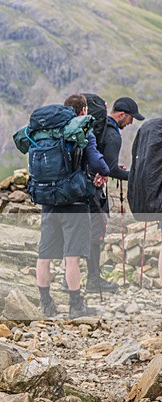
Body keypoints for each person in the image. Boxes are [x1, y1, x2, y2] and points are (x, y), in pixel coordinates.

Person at [36, 94, 109, 318]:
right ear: (83, 110)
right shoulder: (83, 130)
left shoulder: (47, 131)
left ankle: (46, 303)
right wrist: (103, 173)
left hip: (48, 199)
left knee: (44, 255)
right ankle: (76, 306)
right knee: (72, 256)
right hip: (75, 202)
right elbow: (96, 161)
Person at [86, 96, 145, 292]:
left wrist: (108, 168)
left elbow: (102, 162)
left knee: (81, 232)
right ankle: (93, 280)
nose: (131, 123)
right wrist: (134, 177)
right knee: (96, 234)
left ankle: (71, 279)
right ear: (121, 115)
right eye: (130, 118)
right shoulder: (112, 135)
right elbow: (111, 170)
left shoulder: (96, 128)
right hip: (93, 192)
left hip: (80, 185)